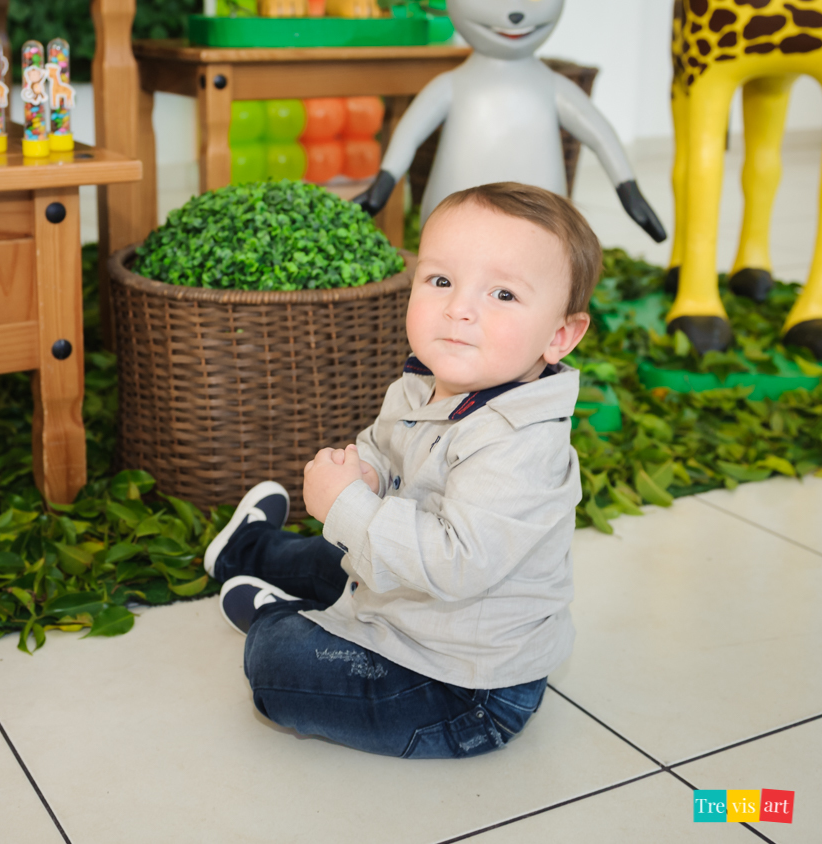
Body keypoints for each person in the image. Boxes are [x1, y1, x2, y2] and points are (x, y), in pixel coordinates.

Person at [203, 182, 599, 759]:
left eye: (504, 295)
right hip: (408, 600)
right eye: (441, 281)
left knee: (277, 666)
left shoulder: (522, 447)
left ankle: (284, 621)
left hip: (460, 687)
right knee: (330, 554)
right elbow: (388, 449)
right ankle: (245, 550)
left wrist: (349, 507)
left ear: (560, 335)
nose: (459, 308)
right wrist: (366, 474)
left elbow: (454, 564)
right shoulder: (424, 381)